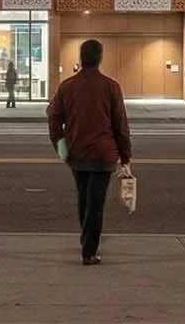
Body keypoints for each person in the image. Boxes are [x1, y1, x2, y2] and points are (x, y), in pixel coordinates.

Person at [46, 39, 133, 266]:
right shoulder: (111, 86)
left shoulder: (67, 87)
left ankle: (87, 242)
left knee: (84, 198)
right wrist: (125, 157)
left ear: (81, 57)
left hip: (76, 152)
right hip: (104, 154)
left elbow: (53, 117)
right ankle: (89, 251)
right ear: (100, 57)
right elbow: (120, 124)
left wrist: (61, 145)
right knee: (96, 202)